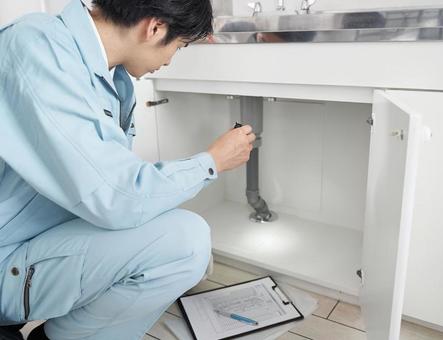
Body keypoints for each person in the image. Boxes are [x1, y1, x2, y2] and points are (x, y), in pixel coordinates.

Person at [0, 0, 255, 339]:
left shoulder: (111, 75)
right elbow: (116, 198)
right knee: (185, 243)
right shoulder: (36, 47)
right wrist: (211, 163)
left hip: (35, 241)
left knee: (181, 246)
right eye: (178, 48)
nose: (168, 61)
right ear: (154, 28)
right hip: (8, 256)